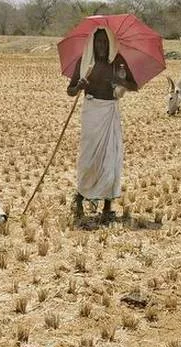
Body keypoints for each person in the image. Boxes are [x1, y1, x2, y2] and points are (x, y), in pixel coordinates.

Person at [67, 27, 138, 223]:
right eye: (98, 42)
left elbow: (134, 86)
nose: (101, 46)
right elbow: (70, 91)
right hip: (91, 114)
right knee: (87, 159)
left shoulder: (117, 62)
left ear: (110, 44)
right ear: (92, 43)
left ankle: (107, 207)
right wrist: (78, 86)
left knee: (110, 160)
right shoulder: (84, 62)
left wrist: (117, 80)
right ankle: (80, 199)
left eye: (105, 42)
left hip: (110, 112)